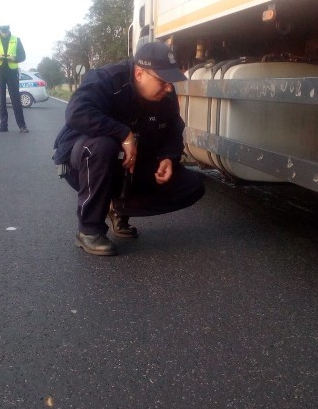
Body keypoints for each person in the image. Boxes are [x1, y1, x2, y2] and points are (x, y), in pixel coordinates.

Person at [53, 41, 206, 256]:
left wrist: (168, 157)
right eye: (163, 81)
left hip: (133, 166)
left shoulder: (166, 95)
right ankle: (89, 230)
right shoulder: (107, 78)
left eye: (171, 82)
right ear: (139, 73)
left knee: (192, 186)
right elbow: (77, 112)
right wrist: (122, 133)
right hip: (83, 162)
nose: (169, 88)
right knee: (103, 146)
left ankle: (117, 207)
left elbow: (174, 129)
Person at [0, 24, 29, 133]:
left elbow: (23, 56)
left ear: (9, 29)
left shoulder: (16, 40)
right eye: (2, 31)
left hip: (11, 72)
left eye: (6, 31)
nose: (4, 33)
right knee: (1, 100)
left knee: (15, 99)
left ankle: (22, 126)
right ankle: (3, 125)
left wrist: (14, 58)